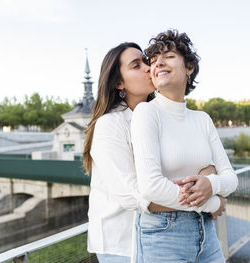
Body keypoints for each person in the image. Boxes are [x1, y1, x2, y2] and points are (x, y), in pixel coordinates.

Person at [84, 42, 226, 263]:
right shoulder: (110, 125)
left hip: (172, 233)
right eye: (136, 65)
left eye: (145, 61)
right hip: (123, 243)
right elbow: (135, 195)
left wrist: (208, 176)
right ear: (119, 83)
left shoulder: (161, 116)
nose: (148, 67)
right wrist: (210, 203)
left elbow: (200, 165)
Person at [131, 30, 238, 263]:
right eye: (154, 59)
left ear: (189, 67)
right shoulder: (147, 113)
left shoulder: (202, 119)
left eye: (168, 56)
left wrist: (211, 183)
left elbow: (231, 178)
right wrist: (212, 202)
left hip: (207, 234)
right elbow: (151, 187)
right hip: (162, 237)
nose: (158, 62)